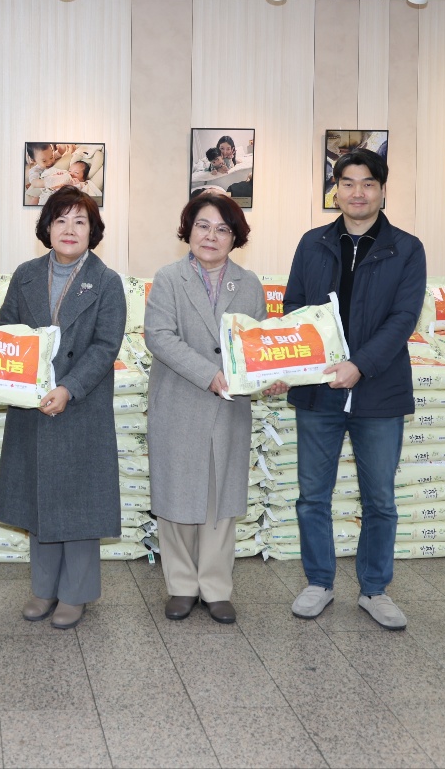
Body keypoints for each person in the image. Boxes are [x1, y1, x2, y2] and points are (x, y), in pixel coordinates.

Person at [283, 148, 426, 630]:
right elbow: (294, 307)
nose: (357, 192)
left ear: (382, 190)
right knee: (312, 495)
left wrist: (359, 366)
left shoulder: (406, 248)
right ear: (336, 190)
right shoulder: (312, 243)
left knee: (379, 499)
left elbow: (403, 318)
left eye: (367, 183)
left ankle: (374, 589)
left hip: (379, 391)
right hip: (318, 389)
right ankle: (319, 582)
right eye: (347, 183)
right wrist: (302, 361)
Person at [144, 191, 282, 624]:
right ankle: (182, 586)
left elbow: (257, 343)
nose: (211, 236)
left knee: (220, 498)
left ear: (235, 237)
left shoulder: (249, 283)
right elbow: (159, 336)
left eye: (223, 229)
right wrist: (208, 373)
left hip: (229, 408)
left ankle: (216, 588)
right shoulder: (169, 278)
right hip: (179, 400)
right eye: (203, 225)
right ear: (188, 229)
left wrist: (271, 375)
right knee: (177, 494)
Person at [0, 187, 125, 630]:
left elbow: (105, 347)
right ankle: (43, 587)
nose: (70, 229)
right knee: (39, 497)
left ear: (93, 231)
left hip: (81, 405)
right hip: (31, 405)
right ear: (47, 228)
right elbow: (6, 331)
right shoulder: (26, 275)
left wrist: (68, 388)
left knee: (80, 501)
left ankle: (76, 593)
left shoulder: (106, 282)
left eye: (80, 221)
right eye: (61, 220)